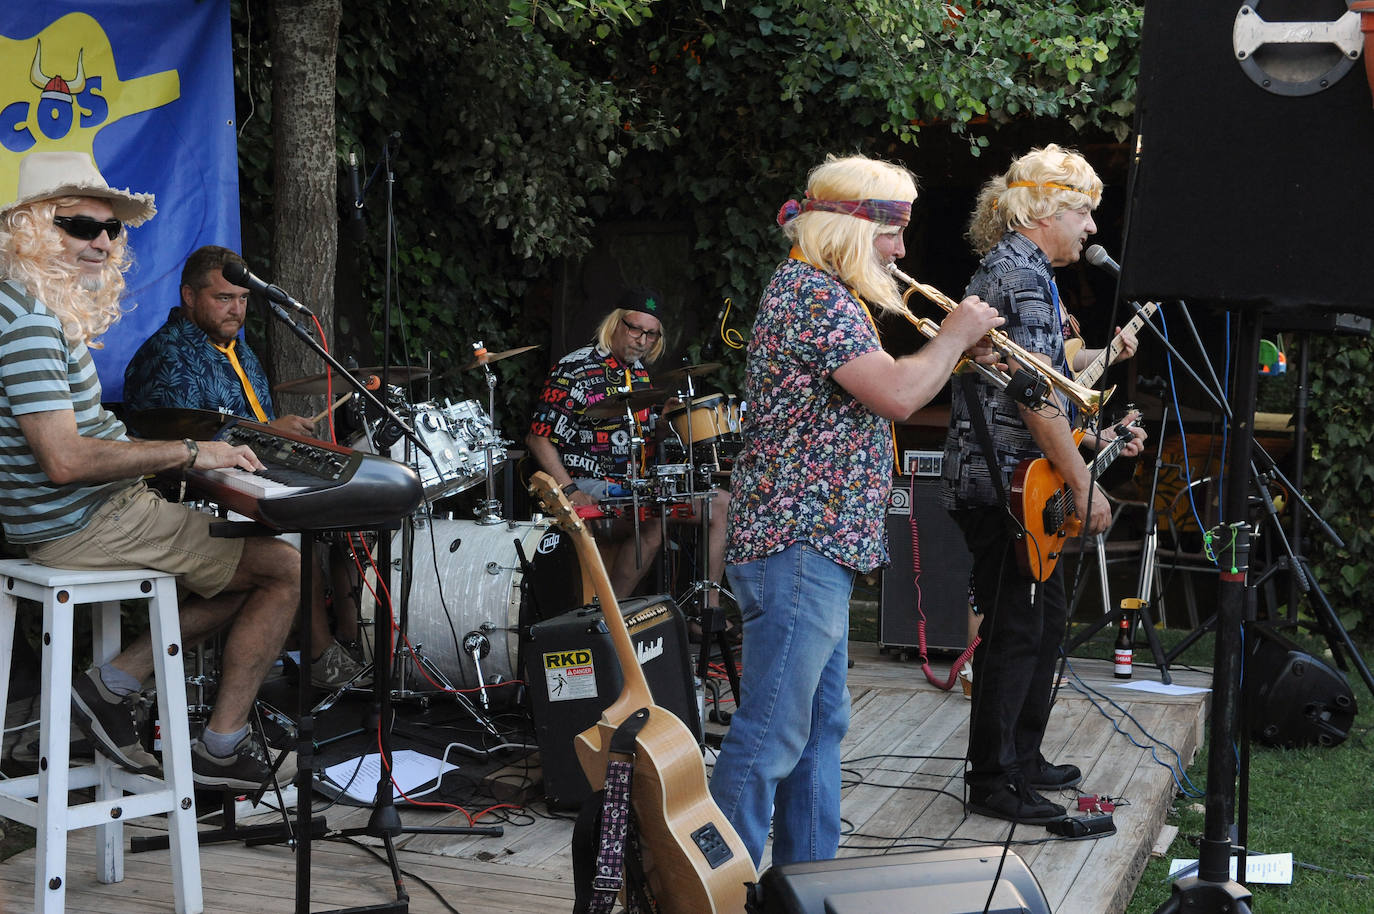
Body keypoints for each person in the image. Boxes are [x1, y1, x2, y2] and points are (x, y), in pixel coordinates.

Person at [710, 153, 1003, 868]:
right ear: (847, 228)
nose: (902, 249)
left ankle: (806, 882)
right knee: (774, 730)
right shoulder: (814, 297)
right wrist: (956, 337)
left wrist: (956, 350)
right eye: (892, 231)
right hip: (800, 542)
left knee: (818, 728)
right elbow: (900, 394)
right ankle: (712, 885)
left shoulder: (825, 294)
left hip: (817, 546)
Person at [0, 150, 299, 791]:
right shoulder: (27, 325)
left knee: (252, 558)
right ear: (29, 226)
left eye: (111, 230)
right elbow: (66, 460)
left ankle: (110, 686)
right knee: (283, 567)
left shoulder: (33, 308)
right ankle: (216, 744)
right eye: (82, 226)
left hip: (85, 512)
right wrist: (194, 454)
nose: (103, 242)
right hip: (79, 520)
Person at [940, 144, 1145, 824]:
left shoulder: (1025, 271)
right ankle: (995, 779)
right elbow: (1035, 401)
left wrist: (1095, 443)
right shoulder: (1020, 274)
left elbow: (1046, 385)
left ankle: (1021, 760)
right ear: (1045, 209)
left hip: (1018, 478)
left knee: (1044, 620)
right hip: (1002, 482)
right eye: (1084, 211)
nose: (1091, 228)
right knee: (1019, 628)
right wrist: (1086, 484)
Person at [123, 245, 368, 689]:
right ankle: (316, 655)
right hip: (191, 498)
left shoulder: (237, 348)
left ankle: (329, 646)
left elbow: (249, 435)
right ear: (189, 296)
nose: (236, 309)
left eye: (242, 298)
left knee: (334, 511)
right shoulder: (169, 356)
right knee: (293, 538)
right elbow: (186, 448)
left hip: (243, 482)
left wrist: (280, 434)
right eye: (223, 298)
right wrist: (269, 433)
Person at [525, 290, 730, 610]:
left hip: (637, 486)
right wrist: (570, 489)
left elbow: (644, 437)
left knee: (720, 504)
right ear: (615, 323)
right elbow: (538, 438)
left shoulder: (638, 373)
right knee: (652, 518)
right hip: (590, 482)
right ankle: (609, 617)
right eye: (635, 328)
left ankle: (707, 611)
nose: (642, 340)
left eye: (651, 334)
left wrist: (665, 424)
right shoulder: (575, 369)